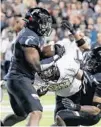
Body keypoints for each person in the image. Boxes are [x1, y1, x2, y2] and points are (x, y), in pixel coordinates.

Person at [1, 7, 65, 127]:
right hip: (19, 79)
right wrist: (53, 61)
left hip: (16, 80)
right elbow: (36, 65)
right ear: (35, 22)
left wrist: (54, 50)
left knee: (21, 114)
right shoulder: (28, 37)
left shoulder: (32, 34)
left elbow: (40, 51)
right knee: (36, 113)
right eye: (44, 22)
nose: (46, 26)